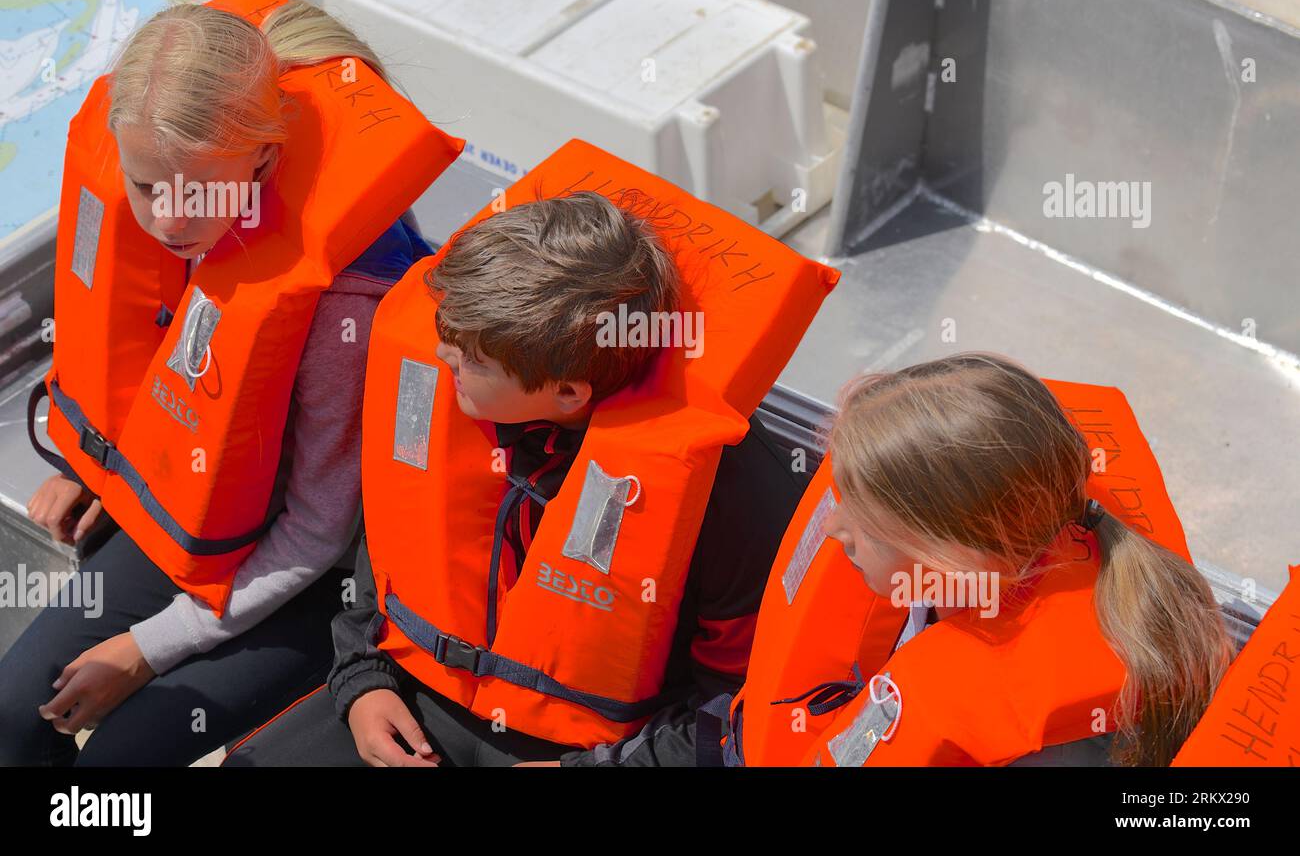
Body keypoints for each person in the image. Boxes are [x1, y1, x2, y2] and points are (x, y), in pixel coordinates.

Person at [223, 139, 839, 766]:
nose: (442, 360)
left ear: (568, 392)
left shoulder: (732, 491)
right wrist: (360, 678)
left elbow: (736, 711)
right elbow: (391, 536)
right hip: (411, 682)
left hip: (602, 749)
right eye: (447, 336)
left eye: (472, 359)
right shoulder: (455, 393)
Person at [0, 0, 460, 766]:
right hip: (195, 515)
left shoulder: (344, 301)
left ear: (264, 162)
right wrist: (100, 458)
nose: (171, 219)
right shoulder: (170, 207)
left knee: (118, 767)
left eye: (199, 188)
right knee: (13, 712)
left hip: (315, 575)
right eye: (147, 188)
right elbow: (148, 362)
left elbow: (319, 535)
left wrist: (146, 648)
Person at [711, 354, 1232, 766]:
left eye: (864, 526)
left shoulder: (1047, 745)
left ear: (947, 563)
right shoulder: (990, 553)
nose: (830, 528)